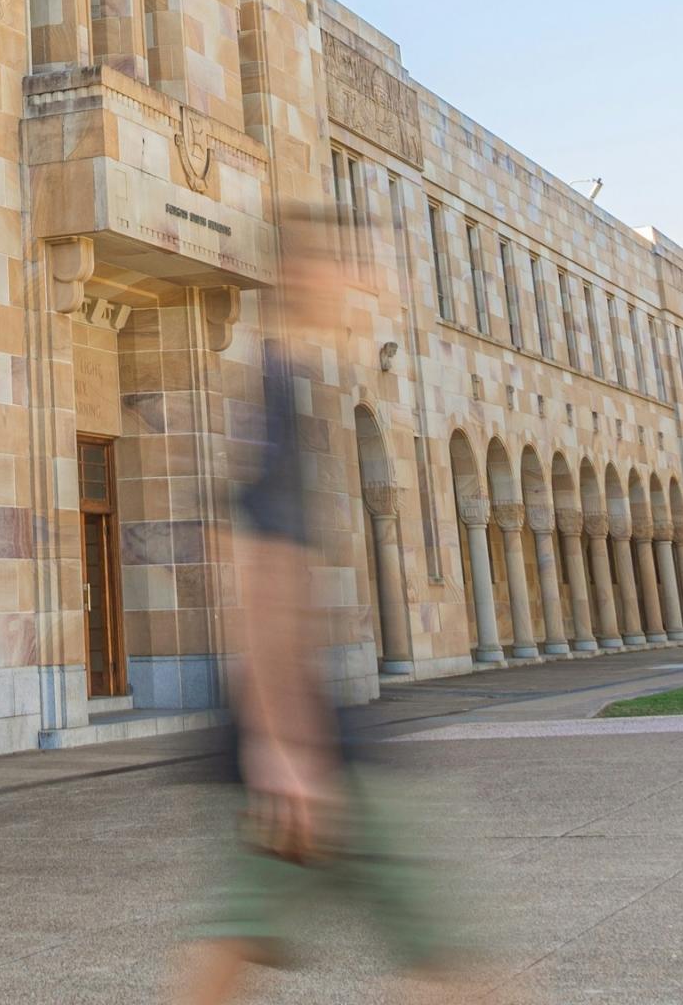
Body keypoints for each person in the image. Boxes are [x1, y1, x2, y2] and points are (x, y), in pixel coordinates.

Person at [173, 207, 481, 1000]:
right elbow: (258, 577)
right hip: (306, 743)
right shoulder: (279, 392)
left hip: (302, 735)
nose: (364, 286)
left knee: (239, 939)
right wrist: (285, 749)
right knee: (439, 950)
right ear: (308, 278)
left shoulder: (289, 382)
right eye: (350, 270)